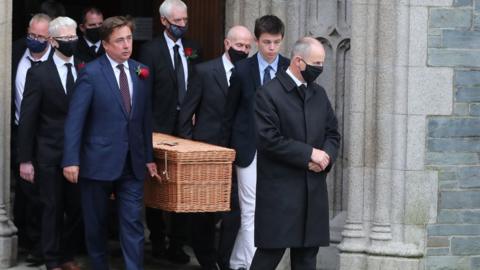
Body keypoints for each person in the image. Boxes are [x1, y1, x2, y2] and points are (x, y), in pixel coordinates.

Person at [62, 16, 158, 270]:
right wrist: (71, 159)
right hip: (97, 160)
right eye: (119, 41)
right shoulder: (91, 74)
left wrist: (148, 156)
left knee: (133, 222)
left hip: (132, 162)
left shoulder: (141, 71)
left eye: (128, 38)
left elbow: (145, 119)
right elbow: (75, 120)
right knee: (96, 223)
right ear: (105, 45)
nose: (127, 45)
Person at [251, 37, 341, 270]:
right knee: (268, 256)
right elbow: (268, 139)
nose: (319, 69)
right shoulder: (268, 93)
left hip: (312, 191)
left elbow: (332, 133)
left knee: (306, 259)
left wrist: (325, 158)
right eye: (316, 63)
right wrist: (310, 154)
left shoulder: (319, 94)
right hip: (281, 193)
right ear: (299, 61)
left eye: (322, 63)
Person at [177, 25, 253, 270]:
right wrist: (191, 150)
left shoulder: (252, 74)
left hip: (237, 153)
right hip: (205, 155)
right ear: (226, 44)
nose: (243, 50)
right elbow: (186, 114)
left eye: (248, 46)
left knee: (235, 210)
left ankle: (225, 259)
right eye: (239, 45)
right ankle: (207, 261)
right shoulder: (204, 71)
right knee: (203, 213)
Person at [221, 15, 290, 270]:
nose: (272, 48)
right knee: (250, 210)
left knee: (271, 209)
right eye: (266, 42)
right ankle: (251, 265)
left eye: (276, 42)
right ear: (257, 41)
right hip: (248, 148)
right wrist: (227, 153)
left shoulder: (289, 68)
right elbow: (229, 114)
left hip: (279, 151)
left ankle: (238, 261)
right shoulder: (242, 71)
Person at [17, 16, 83, 270]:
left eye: (74, 37)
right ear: (53, 42)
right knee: (51, 208)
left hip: (78, 154)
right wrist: (25, 159)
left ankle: (68, 255)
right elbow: (28, 119)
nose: (72, 42)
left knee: (77, 209)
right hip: (49, 154)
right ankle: (53, 259)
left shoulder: (85, 67)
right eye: (66, 39)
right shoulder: (39, 74)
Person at [138, 0, 201, 263]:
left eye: (185, 21)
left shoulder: (193, 48)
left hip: (187, 128)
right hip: (159, 128)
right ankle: (158, 240)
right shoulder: (149, 51)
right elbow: (144, 94)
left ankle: (178, 243)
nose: (182, 26)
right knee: (157, 186)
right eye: (177, 22)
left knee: (184, 186)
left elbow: (199, 82)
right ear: (164, 21)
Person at [11, 13, 53, 266]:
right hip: (18, 131)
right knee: (24, 188)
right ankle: (26, 238)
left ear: (50, 38)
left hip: (47, 135)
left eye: (41, 37)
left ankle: (41, 245)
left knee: (43, 193)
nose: (35, 40)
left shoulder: (59, 60)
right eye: (32, 35)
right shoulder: (14, 51)